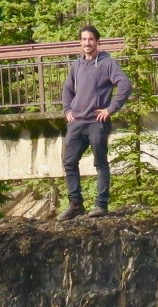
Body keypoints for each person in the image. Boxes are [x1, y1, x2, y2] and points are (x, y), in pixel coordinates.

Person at [58, 25, 132, 220]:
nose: (87, 43)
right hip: (76, 123)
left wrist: (110, 109)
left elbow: (125, 84)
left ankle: (101, 204)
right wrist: (67, 110)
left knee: (100, 162)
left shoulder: (108, 63)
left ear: (98, 41)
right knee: (69, 162)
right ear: (80, 42)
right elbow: (67, 89)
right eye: (83, 39)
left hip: (97, 123)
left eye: (90, 39)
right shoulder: (77, 65)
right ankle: (75, 204)